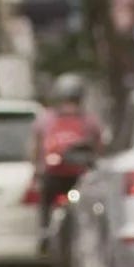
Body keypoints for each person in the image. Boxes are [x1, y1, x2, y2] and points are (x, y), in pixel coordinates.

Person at [30, 73, 103, 232]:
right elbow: (37, 148)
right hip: (54, 174)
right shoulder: (46, 120)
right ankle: (44, 230)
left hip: (79, 177)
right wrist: (37, 172)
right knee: (45, 199)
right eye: (66, 100)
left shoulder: (89, 121)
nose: (69, 106)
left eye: (73, 101)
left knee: (91, 204)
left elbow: (98, 147)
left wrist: (94, 164)